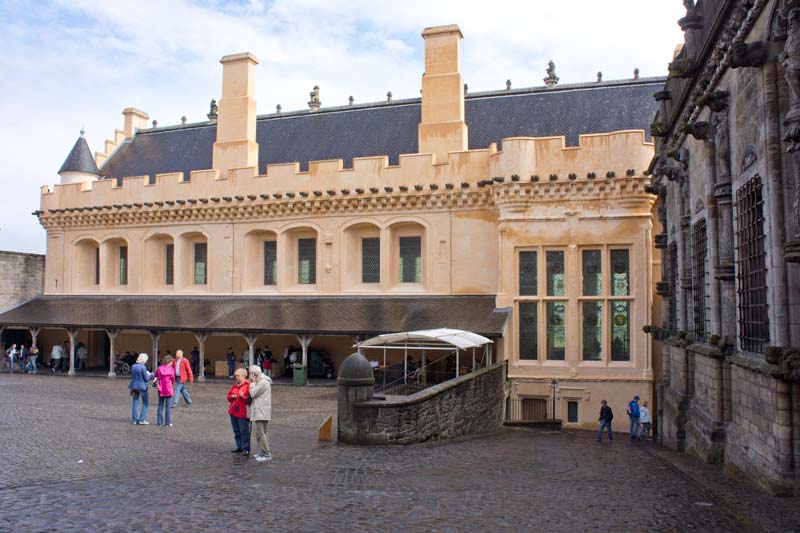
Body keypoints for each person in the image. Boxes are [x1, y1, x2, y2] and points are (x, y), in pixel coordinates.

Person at [248, 365, 272, 462]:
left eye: (250, 373)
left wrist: (252, 383)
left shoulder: (262, 382)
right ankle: (262, 452)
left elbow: (253, 393)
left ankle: (266, 454)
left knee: (260, 433)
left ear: (254, 374)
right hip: (262, 410)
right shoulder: (261, 381)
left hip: (261, 411)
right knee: (263, 433)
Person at [227, 368, 250, 456]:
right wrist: (232, 396)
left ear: (244, 376)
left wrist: (243, 396)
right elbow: (228, 397)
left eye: (238, 376)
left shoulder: (248, 385)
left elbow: (249, 399)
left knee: (244, 431)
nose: (236, 378)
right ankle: (239, 446)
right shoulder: (235, 385)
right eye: (235, 376)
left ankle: (246, 448)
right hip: (233, 411)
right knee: (236, 431)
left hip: (242, 412)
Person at [128, 353, 154, 425]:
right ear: (143, 360)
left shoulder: (133, 366)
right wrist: (151, 374)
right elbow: (146, 379)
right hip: (142, 386)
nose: (146, 361)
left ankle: (134, 419)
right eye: (146, 360)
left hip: (134, 386)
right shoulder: (143, 367)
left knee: (135, 402)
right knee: (145, 402)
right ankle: (142, 419)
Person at [155, 355, 176, 427]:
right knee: (168, 407)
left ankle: (159, 422)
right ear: (169, 362)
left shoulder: (159, 368)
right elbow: (173, 379)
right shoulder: (171, 369)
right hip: (168, 388)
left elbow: (155, 376)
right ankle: (167, 423)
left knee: (160, 405)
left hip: (161, 388)